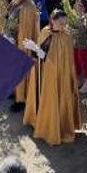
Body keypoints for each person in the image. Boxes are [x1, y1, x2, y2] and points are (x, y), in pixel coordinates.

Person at [23, 10, 81, 145]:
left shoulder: (66, 37)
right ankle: (41, 122)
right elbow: (41, 56)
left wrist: (37, 49)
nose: (64, 26)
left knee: (56, 99)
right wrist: (34, 49)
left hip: (60, 76)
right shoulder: (44, 32)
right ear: (52, 21)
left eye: (65, 23)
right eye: (61, 23)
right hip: (43, 74)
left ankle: (56, 128)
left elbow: (53, 61)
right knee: (43, 97)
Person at [5, 0, 40, 112]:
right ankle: (14, 91)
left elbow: (25, 31)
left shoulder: (27, 8)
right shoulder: (17, 1)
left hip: (22, 44)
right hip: (13, 40)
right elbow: (9, 17)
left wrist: (16, 42)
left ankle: (21, 99)